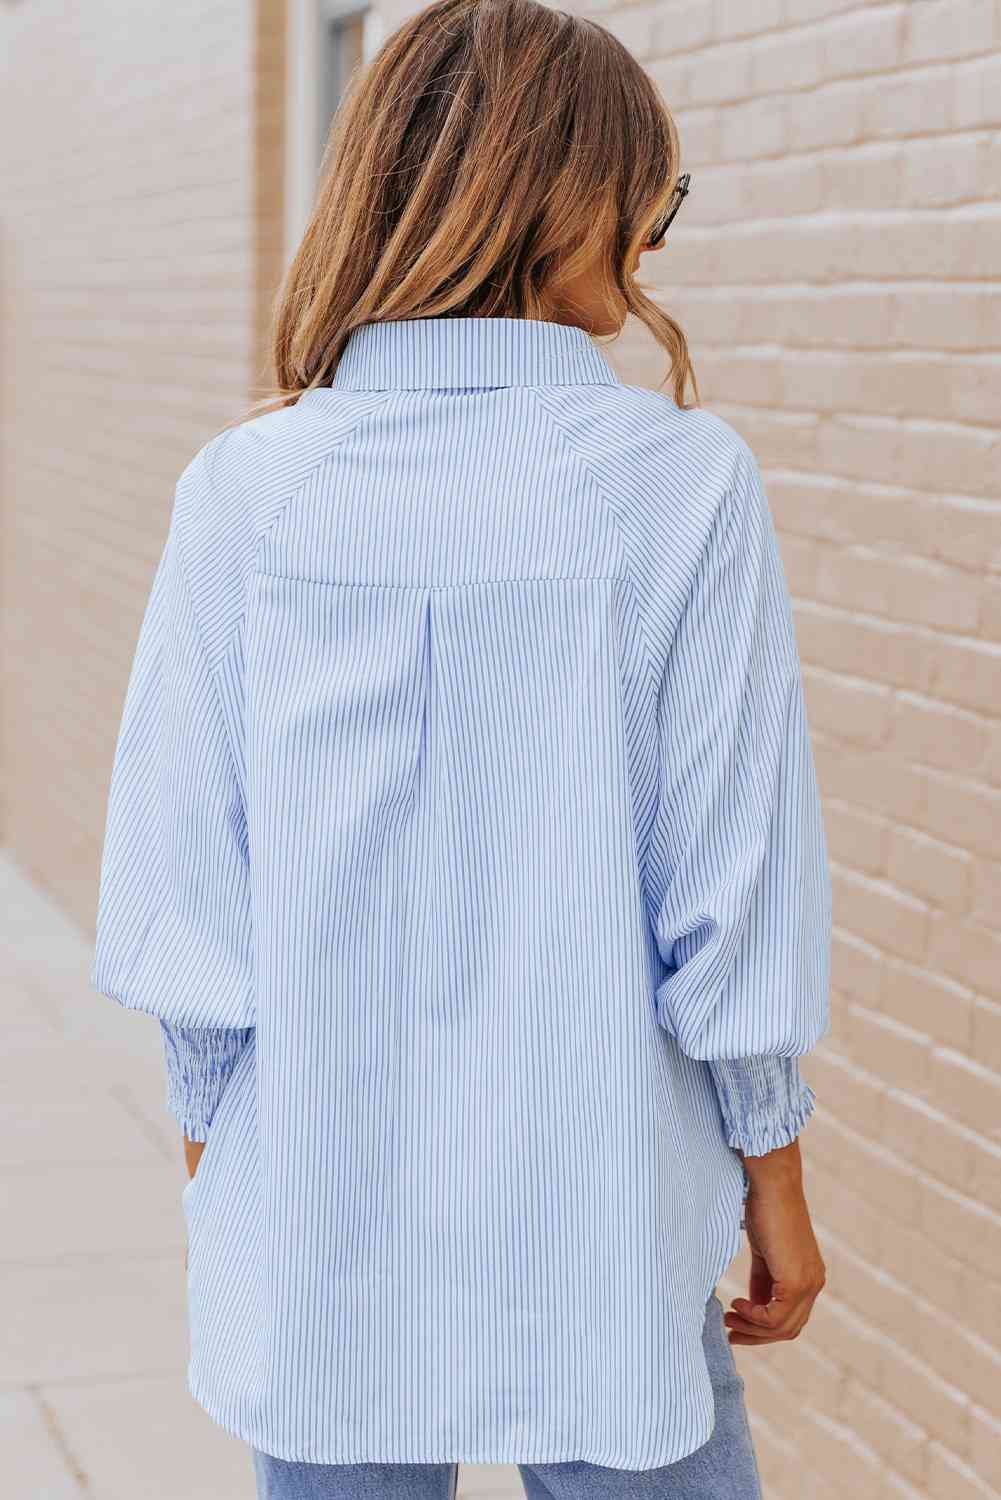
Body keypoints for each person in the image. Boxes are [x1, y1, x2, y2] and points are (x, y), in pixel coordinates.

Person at [90, 0, 831, 1495]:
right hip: (602, 1209)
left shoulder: (249, 490)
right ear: (567, 199)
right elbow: (730, 890)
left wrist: (228, 1169)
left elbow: (183, 892)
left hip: (318, 1204)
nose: (654, 238)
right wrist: (776, 1176)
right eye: (652, 197)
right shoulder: (678, 485)